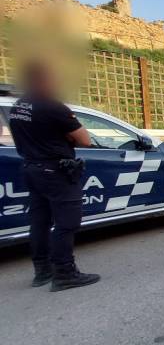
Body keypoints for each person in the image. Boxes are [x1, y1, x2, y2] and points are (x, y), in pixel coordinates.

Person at [8, 62, 100, 292]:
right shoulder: (52, 106)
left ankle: (42, 271)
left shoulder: (19, 106)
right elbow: (85, 140)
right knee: (67, 223)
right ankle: (65, 273)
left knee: (39, 222)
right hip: (55, 171)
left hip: (31, 168)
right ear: (43, 81)